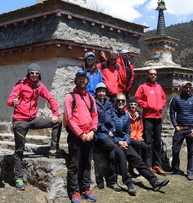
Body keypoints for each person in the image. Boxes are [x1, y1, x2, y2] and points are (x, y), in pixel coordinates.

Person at [7, 63, 63, 190]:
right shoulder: (20, 84)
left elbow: (50, 98)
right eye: (32, 73)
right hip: (20, 121)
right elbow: (10, 99)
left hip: (33, 119)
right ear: (28, 73)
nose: (34, 75)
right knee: (19, 150)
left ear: (39, 74)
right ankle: (18, 178)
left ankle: (53, 150)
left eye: (37, 73)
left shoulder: (39, 86)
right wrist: (13, 102)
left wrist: (55, 113)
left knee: (58, 122)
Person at [110, 93, 170, 196]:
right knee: (122, 157)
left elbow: (128, 131)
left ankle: (154, 180)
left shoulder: (125, 115)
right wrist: (118, 141)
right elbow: (109, 131)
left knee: (137, 159)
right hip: (115, 142)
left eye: (123, 101)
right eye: (119, 100)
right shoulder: (111, 114)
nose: (120, 102)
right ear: (115, 102)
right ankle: (129, 183)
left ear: (125, 103)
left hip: (125, 142)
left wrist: (126, 141)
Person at [64, 70, 98, 203]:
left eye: (84, 78)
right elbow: (69, 118)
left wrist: (92, 131)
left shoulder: (90, 97)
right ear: (75, 81)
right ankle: (74, 192)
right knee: (74, 165)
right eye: (80, 78)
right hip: (76, 137)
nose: (82, 81)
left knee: (87, 163)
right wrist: (80, 134)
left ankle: (85, 189)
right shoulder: (70, 97)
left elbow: (95, 116)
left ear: (87, 81)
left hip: (89, 135)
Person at [134, 69, 167, 175]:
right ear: (147, 75)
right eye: (151, 74)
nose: (153, 76)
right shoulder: (143, 87)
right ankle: (148, 165)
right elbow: (137, 99)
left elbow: (164, 98)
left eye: (155, 74)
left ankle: (157, 164)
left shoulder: (159, 87)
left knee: (157, 141)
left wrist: (161, 105)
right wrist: (147, 105)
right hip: (148, 117)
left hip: (158, 117)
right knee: (148, 141)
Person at [170, 81, 193, 181]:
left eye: (189, 87)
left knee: (191, 151)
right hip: (180, 129)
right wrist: (175, 125)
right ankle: (175, 168)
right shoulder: (176, 99)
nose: (188, 89)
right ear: (182, 88)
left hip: (190, 129)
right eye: (186, 87)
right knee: (175, 150)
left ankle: (190, 171)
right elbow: (172, 113)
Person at [94, 82, 120, 191]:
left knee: (113, 152)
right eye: (99, 91)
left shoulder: (109, 103)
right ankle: (109, 180)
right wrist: (106, 130)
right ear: (96, 92)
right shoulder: (94, 103)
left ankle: (111, 180)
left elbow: (113, 118)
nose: (101, 93)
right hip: (99, 132)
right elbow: (95, 120)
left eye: (103, 91)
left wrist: (111, 130)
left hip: (108, 132)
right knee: (112, 147)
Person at [128, 98, 149, 175]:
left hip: (137, 137)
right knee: (136, 145)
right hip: (129, 137)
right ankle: (132, 168)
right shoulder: (126, 114)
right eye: (131, 104)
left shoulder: (138, 115)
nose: (133, 106)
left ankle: (144, 167)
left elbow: (140, 128)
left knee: (145, 147)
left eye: (135, 104)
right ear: (128, 105)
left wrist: (139, 137)